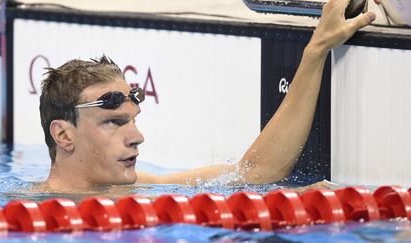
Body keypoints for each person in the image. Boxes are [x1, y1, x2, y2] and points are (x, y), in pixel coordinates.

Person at [36, 0, 379, 192]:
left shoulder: (138, 187)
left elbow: (253, 174)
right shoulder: (23, 215)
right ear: (64, 134)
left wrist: (316, 49)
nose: (137, 137)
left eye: (133, 121)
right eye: (114, 122)